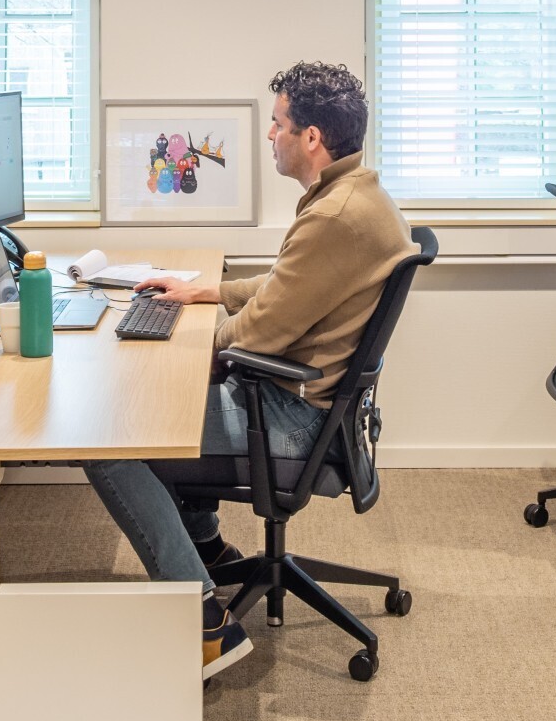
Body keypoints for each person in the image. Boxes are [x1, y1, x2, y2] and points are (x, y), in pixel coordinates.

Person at [88, 60, 410, 679]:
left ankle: (206, 626)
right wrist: (206, 292)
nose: (270, 134)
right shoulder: (353, 195)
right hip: (313, 406)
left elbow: (259, 333)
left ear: (311, 137)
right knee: (161, 402)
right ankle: (207, 551)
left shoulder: (334, 216)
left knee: (113, 439)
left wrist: (180, 352)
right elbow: (286, 286)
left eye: (278, 123)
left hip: (293, 421)